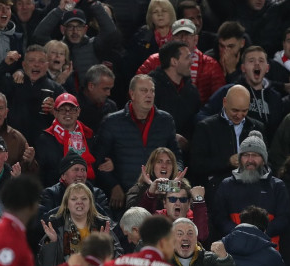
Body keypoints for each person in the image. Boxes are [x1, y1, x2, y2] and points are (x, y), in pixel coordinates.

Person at [94, 74, 182, 210]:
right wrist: (113, 186)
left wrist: (175, 178)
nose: (149, 95)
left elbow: (176, 156)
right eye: (144, 90)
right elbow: (98, 162)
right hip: (123, 194)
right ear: (132, 94)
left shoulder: (165, 120)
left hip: (159, 193)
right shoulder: (112, 122)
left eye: (152, 91)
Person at [212, 130, 290, 243]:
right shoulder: (227, 184)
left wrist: (261, 232)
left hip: (268, 247)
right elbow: (219, 218)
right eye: (245, 155)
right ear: (239, 159)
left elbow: (284, 218)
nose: (250, 160)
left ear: (264, 159)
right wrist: (238, 232)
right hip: (233, 246)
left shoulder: (277, 185)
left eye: (255, 155)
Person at [190, 85, 265, 203]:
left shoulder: (257, 127)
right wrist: (227, 161)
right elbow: (197, 164)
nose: (239, 115)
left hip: (252, 192)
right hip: (217, 195)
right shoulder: (206, 128)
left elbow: (266, 161)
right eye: (235, 110)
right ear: (224, 102)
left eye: (244, 111)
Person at [137, 18, 225, 104]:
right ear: (171, 39)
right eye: (178, 35)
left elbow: (218, 100)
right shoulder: (154, 61)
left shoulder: (211, 65)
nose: (183, 39)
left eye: (187, 35)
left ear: (196, 39)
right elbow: (136, 88)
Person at [38, 182, 119, 266]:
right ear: (66, 204)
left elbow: (117, 262)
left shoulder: (103, 226)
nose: (79, 202)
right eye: (74, 199)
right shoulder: (55, 227)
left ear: (90, 203)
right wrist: (52, 243)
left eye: (84, 199)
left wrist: (106, 244)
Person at [37, 93, 96, 187]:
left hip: (85, 191)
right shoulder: (45, 138)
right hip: (54, 193)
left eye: (72, 109)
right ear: (55, 113)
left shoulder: (88, 136)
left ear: (78, 112)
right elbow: (42, 173)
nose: (67, 113)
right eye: (62, 110)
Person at [38, 151, 110, 220]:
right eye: (76, 170)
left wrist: (90, 205)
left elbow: (109, 223)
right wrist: (67, 207)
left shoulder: (97, 193)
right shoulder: (50, 194)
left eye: (83, 170)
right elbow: (41, 223)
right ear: (63, 176)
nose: (80, 174)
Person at [139, 179, 209, 246]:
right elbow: (143, 224)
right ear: (165, 203)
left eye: (183, 199)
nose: (177, 203)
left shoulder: (195, 219)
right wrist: (150, 194)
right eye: (172, 199)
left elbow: (201, 236)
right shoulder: (157, 217)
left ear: (188, 204)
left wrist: (199, 202)